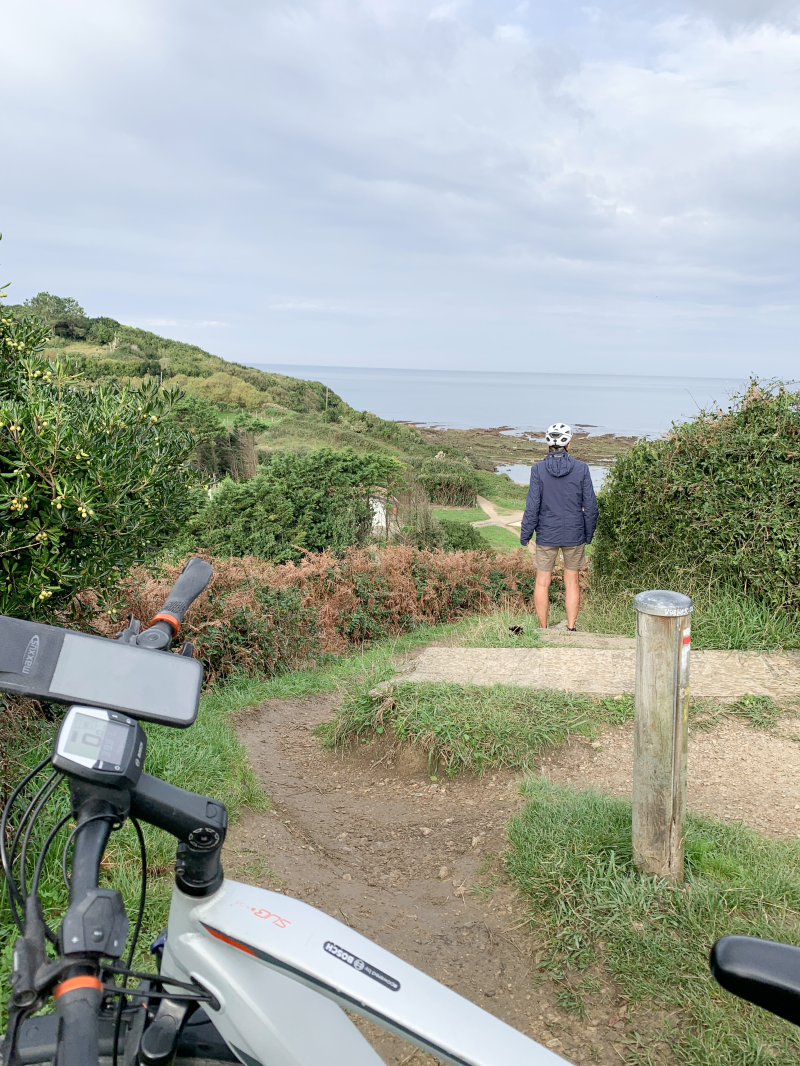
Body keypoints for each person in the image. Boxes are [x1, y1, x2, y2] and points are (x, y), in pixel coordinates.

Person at [520, 423, 598, 631]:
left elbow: (532, 506)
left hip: (546, 534)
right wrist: (588, 534)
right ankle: (571, 628)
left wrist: (526, 534)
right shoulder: (582, 468)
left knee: (542, 582)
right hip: (575, 533)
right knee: (572, 582)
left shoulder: (538, 469)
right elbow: (591, 506)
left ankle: (543, 629)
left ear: (548, 445)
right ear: (568, 445)